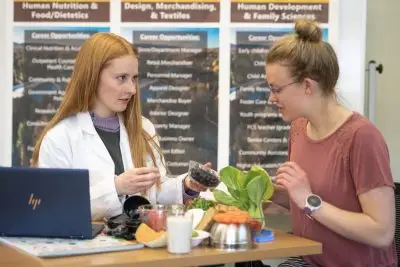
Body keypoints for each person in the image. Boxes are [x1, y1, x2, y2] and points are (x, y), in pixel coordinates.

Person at [31, 32, 208, 220]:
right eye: (121, 77)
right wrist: (116, 187)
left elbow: (154, 195)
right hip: (86, 248)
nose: (132, 89)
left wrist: (187, 186)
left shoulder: (144, 128)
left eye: (134, 78)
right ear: (92, 76)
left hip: (139, 246)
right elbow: (55, 207)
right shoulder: (60, 138)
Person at [265, 20, 396, 267]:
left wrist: (308, 200)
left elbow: (381, 233)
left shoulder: (362, 137)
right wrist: (261, 194)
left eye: (276, 89)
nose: (272, 98)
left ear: (307, 86)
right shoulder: (298, 129)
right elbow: (307, 200)